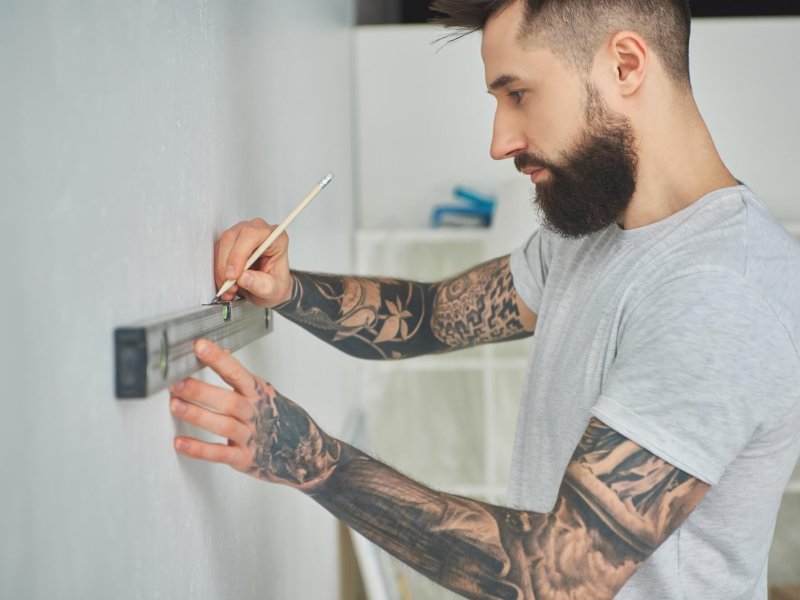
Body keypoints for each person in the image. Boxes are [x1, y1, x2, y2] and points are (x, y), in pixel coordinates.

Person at [166, 1, 800, 598]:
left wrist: (316, 462)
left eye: (518, 93)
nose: (500, 142)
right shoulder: (595, 234)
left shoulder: (722, 291)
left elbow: (562, 576)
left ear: (625, 65)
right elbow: (429, 318)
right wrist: (287, 288)